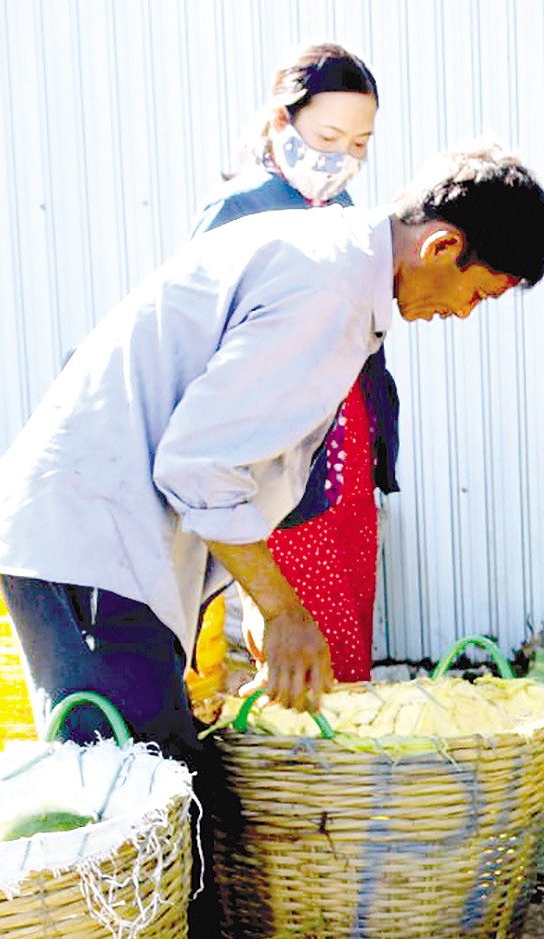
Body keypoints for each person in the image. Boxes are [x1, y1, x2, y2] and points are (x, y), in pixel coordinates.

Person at [0, 142, 544, 765]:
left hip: (103, 535)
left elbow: (231, 453)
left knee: (161, 779)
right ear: (443, 248)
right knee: (136, 790)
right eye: (478, 296)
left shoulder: (330, 256)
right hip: (91, 541)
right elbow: (200, 465)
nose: (461, 314)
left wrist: (258, 595)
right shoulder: (330, 293)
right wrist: (281, 609)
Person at [192, 42, 397, 686]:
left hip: (345, 438)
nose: (341, 159)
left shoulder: (340, 211)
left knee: (349, 603)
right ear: (284, 123)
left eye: (359, 145)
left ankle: (345, 765)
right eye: (328, 136)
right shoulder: (234, 213)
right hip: (273, 449)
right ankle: (296, 774)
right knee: (298, 619)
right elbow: (205, 356)